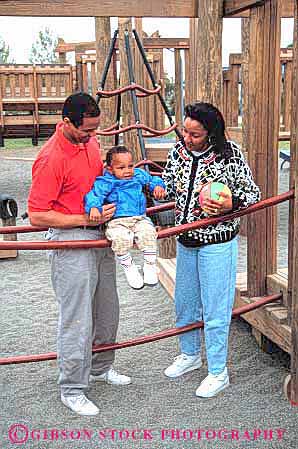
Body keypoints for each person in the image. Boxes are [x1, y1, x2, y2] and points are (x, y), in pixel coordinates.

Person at [27, 92, 131, 417]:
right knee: (76, 317)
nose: (92, 136)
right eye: (87, 130)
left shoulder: (89, 143)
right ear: (67, 123)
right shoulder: (51, 158)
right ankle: (71, 388)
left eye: (96, 129)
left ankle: (101, 366)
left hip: (99, 231)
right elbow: (37, 214)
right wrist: (84, 219)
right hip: (71, 236)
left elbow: (99, 179)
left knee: (107, 308)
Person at [162, 102, 260, 398]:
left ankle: (219, 372)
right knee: (185, 302)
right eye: (185, 131)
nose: (187, 138)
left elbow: (252, 193)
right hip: (185, 239)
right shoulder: (177, 151)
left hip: (218, 242)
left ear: (211, 132)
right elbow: (167, 184)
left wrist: (232, 204)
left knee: (216, 309)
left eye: (195, 134)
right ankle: (190, 355)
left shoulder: (230, 155)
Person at [85, 145, 166, 290]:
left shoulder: (138, 175)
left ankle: (149, 265)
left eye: (130, 166)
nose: (128, 171)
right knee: (120, 238)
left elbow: (153, 180)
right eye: (121, 168)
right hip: (118, 221)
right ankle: (129, 267)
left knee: (148, 233)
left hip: (139, 217)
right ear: (110, 169)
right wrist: (93, 208)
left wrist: (158, 187)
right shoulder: (106, 182)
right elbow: (94, 196)